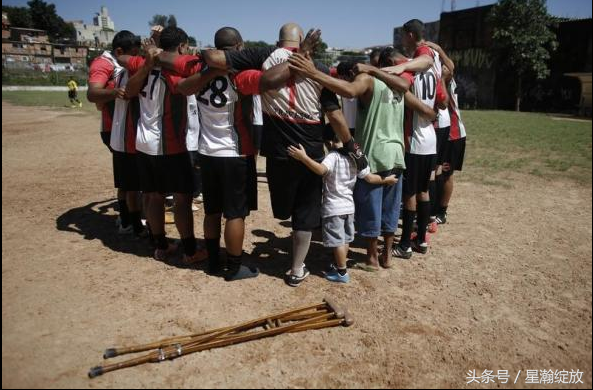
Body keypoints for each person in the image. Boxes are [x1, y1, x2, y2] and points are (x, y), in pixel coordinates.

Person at [202, 23, 368, 287]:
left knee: (282, 208)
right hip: (311, 151)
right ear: (302, 41)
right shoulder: (319, 69)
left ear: (278, 40)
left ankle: (282, 239)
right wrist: (350, 145)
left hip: (278, 148)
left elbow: (215, 57)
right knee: (305, 212)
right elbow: (335, 116)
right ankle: (296, 268)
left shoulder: (264, 55)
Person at [288, 49, 436, 270]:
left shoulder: (368, 79)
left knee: (370, 208)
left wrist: (313, 73)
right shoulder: (399, 86)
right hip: (397, 154)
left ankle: (372, 258)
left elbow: (348, 91)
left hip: (374, 154)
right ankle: (387, 255)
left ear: (377, 64)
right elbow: (428, 112)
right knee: (391, 209)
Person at [124, 27, 208, 264]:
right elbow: (187, 87)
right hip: (169, 144)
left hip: (144, 142)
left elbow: (129, 91)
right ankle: (191, 251)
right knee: (182, 199)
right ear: (182, 47)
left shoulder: (145, 65)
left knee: (153, 196)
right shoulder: (171, 70)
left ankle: (160, 246)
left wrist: (149, 60)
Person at [287, 142, 397, 283]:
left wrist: (303, 157)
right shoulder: (355, 158)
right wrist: (387, 179)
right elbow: (370, 178)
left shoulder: (333, 156)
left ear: (331, 142)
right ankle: (340, 266)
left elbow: (321, 170)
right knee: (344, 239)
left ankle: (341, 272)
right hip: (349, 207)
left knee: (338, 241)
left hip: (334, 208)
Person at [87, 31, 141, 235]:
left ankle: (128, 218)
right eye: (132, 54)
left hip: (125, 129)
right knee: (129, 181)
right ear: (120, 51)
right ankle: (128, 221)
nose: (134, 59)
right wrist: (115, 92)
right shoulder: (104, 64)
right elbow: (92, 93)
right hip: (116, 130)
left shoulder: (117, 64)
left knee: (128, 180)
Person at [437, 64, 467, 224]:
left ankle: (442, 211)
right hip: (440, 134)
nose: (441, 69)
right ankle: (434, 208)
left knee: (446, 174)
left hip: (453, 136)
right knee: (436, 174)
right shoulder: (436, 80)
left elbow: (450, 66)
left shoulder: (448, 82)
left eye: (444, 67)